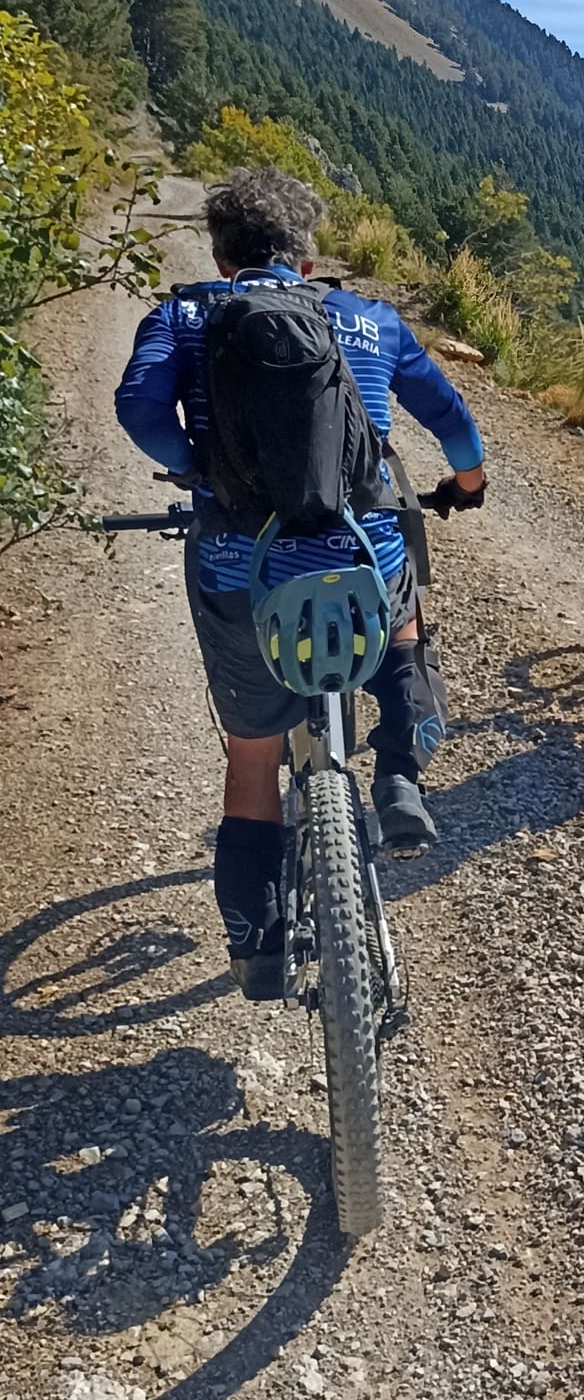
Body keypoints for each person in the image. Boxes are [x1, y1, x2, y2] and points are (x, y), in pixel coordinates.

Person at [115, 167, 486, 998]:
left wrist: (197, 469)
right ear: (307, 261)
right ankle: (397, 776)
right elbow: (455, 423)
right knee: (402, 617)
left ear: (221, 254)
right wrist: (467, 483)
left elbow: (139, 409)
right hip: (363, 555)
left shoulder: (184, 315)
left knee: (251, 764)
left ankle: (258, 948)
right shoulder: (368, 318)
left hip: (240, 568)